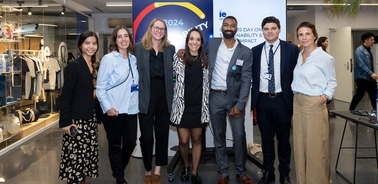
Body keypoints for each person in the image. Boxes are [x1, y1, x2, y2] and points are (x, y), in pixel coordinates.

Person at [251, 16, 298, 184]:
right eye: (266, 28)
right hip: (263, 101)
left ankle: (284, 173)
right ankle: (267, 171)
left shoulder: (291, 49)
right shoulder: (255, 51)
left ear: (279, 30)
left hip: (282, 101)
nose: (269, 31)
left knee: (284, 140)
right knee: (266, 140)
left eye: (273, 28)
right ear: (262, 31)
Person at [208, 16, 253, 184]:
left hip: (234, 100)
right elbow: (198, 55)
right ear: (222, 27)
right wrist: (182, 51)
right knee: (219, 136)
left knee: (239, 136)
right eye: (226, 24)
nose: (229, 27)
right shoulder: (212, 45)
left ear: (236, 29)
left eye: (232, 25)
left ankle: (241, 172)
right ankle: (224, 172)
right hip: (215, 97)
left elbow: (246, 80)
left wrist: (240, 105)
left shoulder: (245, 52)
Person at [291, 21, 337, 184]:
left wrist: (324, 97)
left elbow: (331, 82)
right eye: (301, 34)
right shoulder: (300, 55)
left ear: (315, 35)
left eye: (307, 33)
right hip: (298, 102)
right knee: (300, 146)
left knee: (316, 147)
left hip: (314, 103)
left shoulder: (324, 57)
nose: (304, 37)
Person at [134, 18, 175, 184]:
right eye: (157, 28)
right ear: (150, 29)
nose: (159, 31)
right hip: (145, 94)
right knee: (146, 137)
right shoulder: (138, 48)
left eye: (162, 29)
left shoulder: (170, 49)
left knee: (162, 134)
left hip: (164, 95)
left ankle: (157, 170)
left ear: (165, 32)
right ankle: (147, 170)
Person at [96, 25, 139, 184]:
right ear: (115, 40)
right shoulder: (109, 59)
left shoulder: (134, 59)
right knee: (114, 145)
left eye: (126, 36)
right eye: (119, 36)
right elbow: (100, 87)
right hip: (113, 109)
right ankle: (120, 179)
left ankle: (117, 170)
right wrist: (107, 107)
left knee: (130, 143)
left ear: (130, 39)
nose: (123, 39)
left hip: (131, 108)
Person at [58, 30, 100, 184]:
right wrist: (66, 122)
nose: (91, 46)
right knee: (75, 161)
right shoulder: (75, 66)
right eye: (87, 43)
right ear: (80, 45)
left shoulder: (93, 65)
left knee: (85, 158)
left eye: (94, 43)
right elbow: (66, 95)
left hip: (89, 119)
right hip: (76, 121)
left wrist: (97, 118)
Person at [170, 28, 209, 184]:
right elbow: (169, 77)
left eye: (198, 39)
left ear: (201, 43)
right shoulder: (178, 58)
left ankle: (194, 171)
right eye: (191, 39)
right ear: (187, 41)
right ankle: (186, 165)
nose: (194, 42)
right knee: (184, 141)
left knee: (197, 140)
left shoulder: (205, 60)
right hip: (182, 108)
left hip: (199, 108)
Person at [349, 32, 377, 110]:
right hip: (361, 77)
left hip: (369, 78)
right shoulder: (359, 50)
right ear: (366, 40)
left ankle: (376, 110)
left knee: (373, 94)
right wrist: (371, 73)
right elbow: (361, 64)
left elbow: (370, 64)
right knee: (360, 94)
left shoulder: (370, 50)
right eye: (372, 39)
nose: (373, 41)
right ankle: (351, 110)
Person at [317, 36, 336, 117]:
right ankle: (326, 110)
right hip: (322, 79)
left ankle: (328, 110)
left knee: (329, 93)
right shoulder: (319, 52)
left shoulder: (326, 53)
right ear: (322, 42)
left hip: (327, 78)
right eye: (326, 41)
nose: (328, 43)